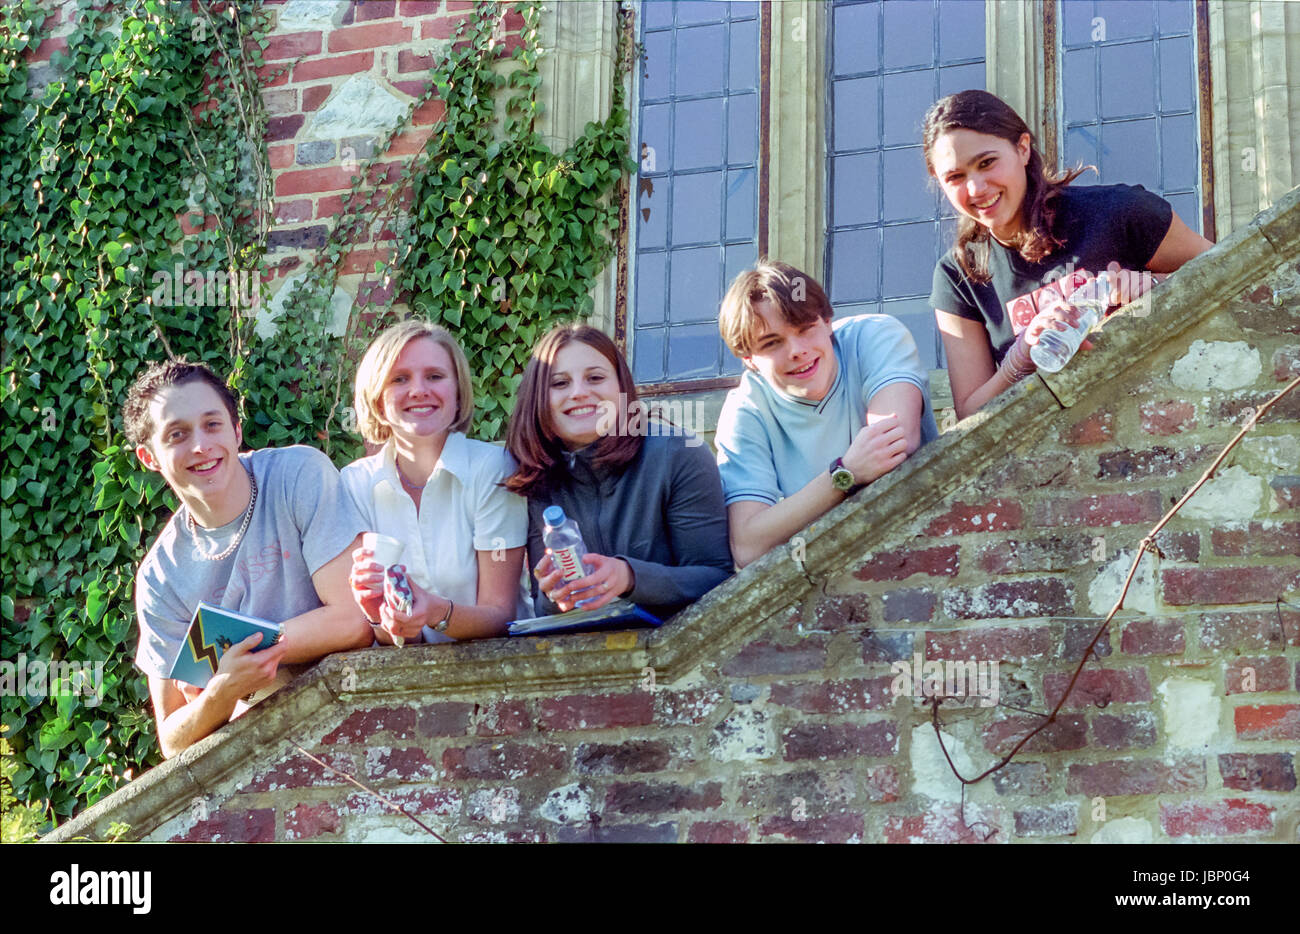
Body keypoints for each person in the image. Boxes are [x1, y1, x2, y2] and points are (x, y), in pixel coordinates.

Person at [124, 360, 370, 758]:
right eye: (177, 434)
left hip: (358, 722)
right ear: (149, 457)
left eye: (213, 424)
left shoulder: (297, 474)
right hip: (263, 759)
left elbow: (354, 620)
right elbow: (172, 739)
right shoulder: (159, 577)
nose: (201, 445)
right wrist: (223, 690)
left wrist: (242, 655)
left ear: (237, 430)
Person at [924, 89, 1214, 419]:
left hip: (1161, 421)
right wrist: (1020, 359)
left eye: (987, 162)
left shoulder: (1121, 212)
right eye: (956, 177)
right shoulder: (957, 276)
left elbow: (1230, 278)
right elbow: (971, 416)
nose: (976, 188)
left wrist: (1156, 287)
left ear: (1022, 148)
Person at [714, 260, 939, 568]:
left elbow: (894, 444)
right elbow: (748, 544)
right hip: (829, 576)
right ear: (748, 358)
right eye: (772, 343)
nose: (797, 350)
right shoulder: (745, 411)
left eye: (805, 329)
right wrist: (843, 474)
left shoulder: (874, 336)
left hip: (928, 541)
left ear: (828, 320)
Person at [504, 324, 732, 619]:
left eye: (595, 378)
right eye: (559, 383)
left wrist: (629, 577)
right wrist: (554, 595)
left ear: (621, 387)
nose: (579, 393)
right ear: (538, 400)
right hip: (587, 658)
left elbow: (715, 578)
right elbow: (545, 607)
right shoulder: (535, 476)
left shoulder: (679, 454)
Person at [342, 320, 529, 646]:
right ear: (377, 400)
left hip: (503, 670)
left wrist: (435, 611)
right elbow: (393, 640)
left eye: (435, 376)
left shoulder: (493, 470)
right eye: (399, 379)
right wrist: (379, 615)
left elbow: (501, 615)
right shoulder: (355, 483)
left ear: (458, 393)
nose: (418, 390)